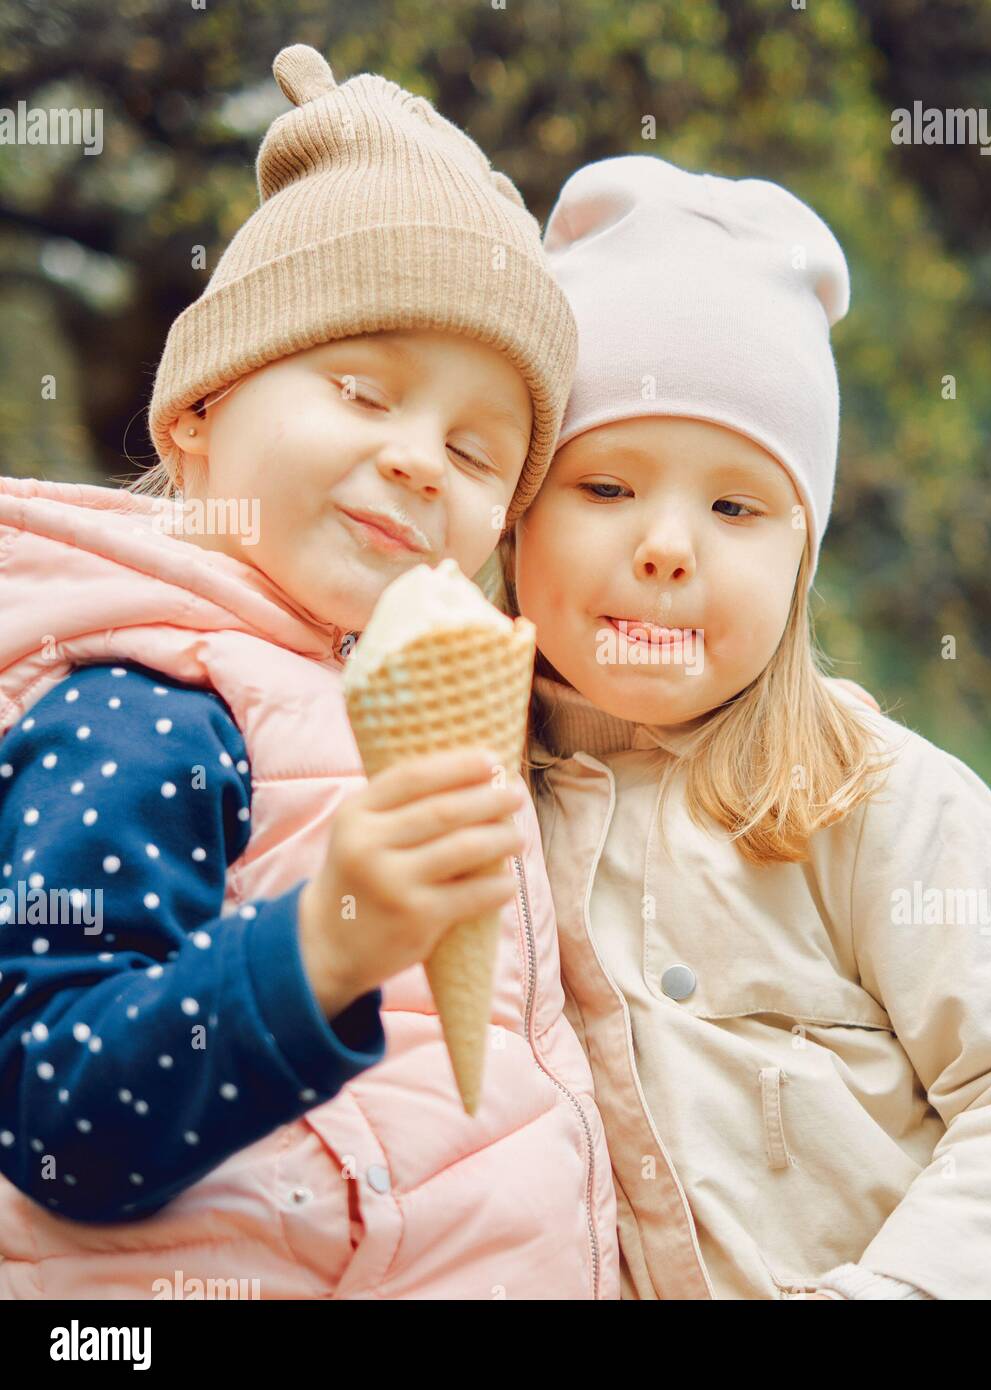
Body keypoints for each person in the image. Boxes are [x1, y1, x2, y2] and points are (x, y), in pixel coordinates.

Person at [0, 45, 616, 1299]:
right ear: (199, 414)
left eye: (478, 448)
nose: (418, 460)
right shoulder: (139, 700)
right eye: (360, 389)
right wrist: (325, 943)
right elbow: (57, 1113)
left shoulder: (395, 696)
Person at [493, 154, 991, 1300]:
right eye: (604, 487)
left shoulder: (878, 800)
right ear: (513, 520)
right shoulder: (467, 798)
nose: (669, 544)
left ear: (801, 559)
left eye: (736, 505)